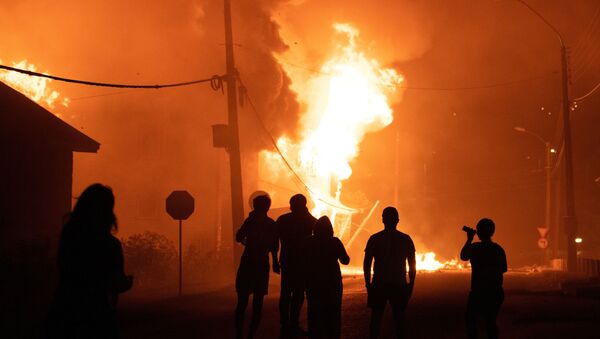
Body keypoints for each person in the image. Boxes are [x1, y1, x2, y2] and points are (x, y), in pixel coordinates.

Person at [47, 183, 133, 339]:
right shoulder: (110, 245)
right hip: (98, 316)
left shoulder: (69, 236)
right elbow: (116, 282)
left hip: (64, 312)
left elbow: (62, 267)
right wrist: (128, 282)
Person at [363, 207, 416, 339]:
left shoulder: (374, 239)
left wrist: (368, 283)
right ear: (397, 220)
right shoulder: (405, 239)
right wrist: (411, 284)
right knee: (399, 320)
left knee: (376, 318)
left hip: (379, 283)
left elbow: (367, 263)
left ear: (382, 220)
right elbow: (412, 265)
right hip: (399, 284)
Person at [235, 194, 280, 339]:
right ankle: (250, 336)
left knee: (242, 302)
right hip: (261, 264)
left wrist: (247, 242)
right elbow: (274, 246)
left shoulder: (250, 221)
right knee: (257, 303)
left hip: (248, 262)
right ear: (267, 207)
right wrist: (275, 262)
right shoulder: (271, 224)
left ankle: (239, 335)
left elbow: (238, 237)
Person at [460, 218, 507, 339]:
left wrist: (469, 239)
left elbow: (463, 256)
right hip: (495, 292)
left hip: (479, 292)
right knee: (490, 323)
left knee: (471, 321)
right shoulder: (498, 249)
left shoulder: (475, 248)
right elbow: (503, 268)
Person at [276, 194, 316, 336]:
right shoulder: (311, 221)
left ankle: (285, 322)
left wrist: (275, 259)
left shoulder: (283, 220)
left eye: (292, 204)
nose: (290, 206)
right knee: (298, 293)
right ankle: (293, 322)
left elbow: (276, 241)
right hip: (303, 263)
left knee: (286, 292)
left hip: (288, 261)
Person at [304, 216, 349, 339]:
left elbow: (302, 261)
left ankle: (315, 334)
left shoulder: (308, 241)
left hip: (313, 281)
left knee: (314, 311)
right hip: (332, 281)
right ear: (330, 229)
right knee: (333, 312)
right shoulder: (335, 241)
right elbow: (345, 260)